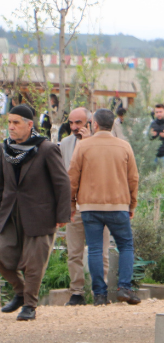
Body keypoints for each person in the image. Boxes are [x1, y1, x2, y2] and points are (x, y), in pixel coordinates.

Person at [0, 105, 71, 320]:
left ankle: (29, 305)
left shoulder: (46, 148)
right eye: (9, 122)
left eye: (16, 123)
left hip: (40, 215)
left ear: (29, 125)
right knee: (2, 256)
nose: (11, 127)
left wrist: (62, 216)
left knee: (33, 263)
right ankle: (20, 292)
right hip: (9, 213)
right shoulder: (4, 150)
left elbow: (62, 183)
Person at [69, 109, 140, 306]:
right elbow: (133, 178)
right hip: (118, 205)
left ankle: (99, 294)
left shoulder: (83, 146)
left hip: (90, 206)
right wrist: (132, 204)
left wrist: (72, 204)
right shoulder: (124, 146)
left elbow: (72, 177)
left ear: (95, 125)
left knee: (94, 249)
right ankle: (124, 287)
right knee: (125, 245)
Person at [61, 107, 110, 306]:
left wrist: (89, 143)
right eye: (71, 123)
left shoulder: (102, 143)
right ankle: (77, 291)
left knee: (101, 251)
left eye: (78, 123)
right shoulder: (65, 144)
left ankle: (100, 290)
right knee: (74, 252)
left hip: (98, 205)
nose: (74, 127)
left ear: (90, 123)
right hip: (75, 206)